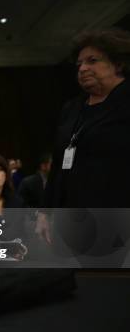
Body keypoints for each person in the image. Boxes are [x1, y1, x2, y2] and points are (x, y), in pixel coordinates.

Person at [37, 28, 130, 252]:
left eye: (92, 61)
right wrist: (45, 211)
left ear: (118, 64)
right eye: (79, 64)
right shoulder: (72, 108)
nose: (83, 68)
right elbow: (59, 163)